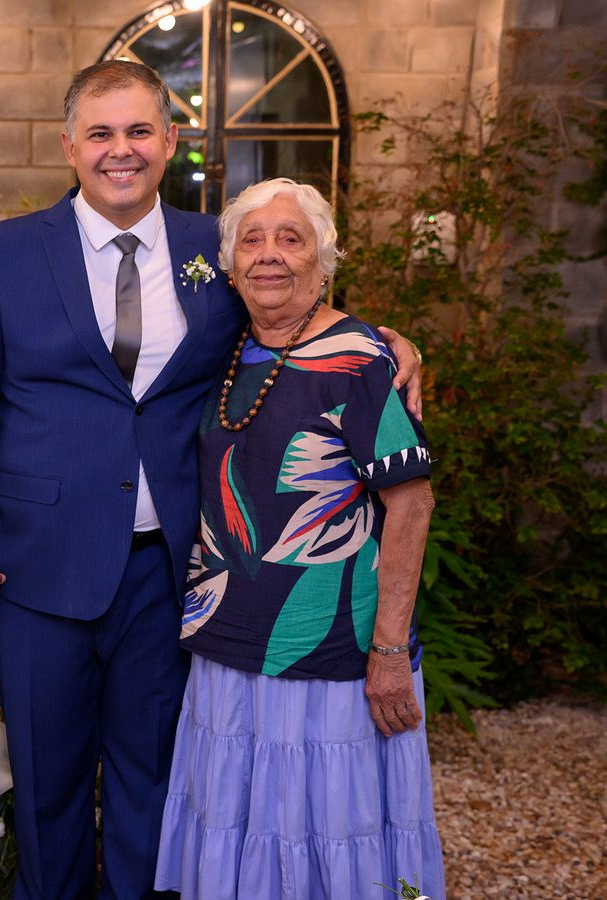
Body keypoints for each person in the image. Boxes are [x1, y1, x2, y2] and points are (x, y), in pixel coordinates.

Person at [0, 61, 421, 899]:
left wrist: (388, 344)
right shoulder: (4, 251)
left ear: (170, 140)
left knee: (154, 779)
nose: (121, 150)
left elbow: (290, 318)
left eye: (139, 131)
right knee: (45, 787)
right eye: (101, 133)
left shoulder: (213, 250)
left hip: (173, 570)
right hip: (35, 568)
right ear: (69, 146)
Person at [154, 178, 445, 897]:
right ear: (229, 267)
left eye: (291, 239)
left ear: (324, 259)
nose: (269, 255)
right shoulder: (228, 350)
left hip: (332, 649)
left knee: (323, 827)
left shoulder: (358, 360)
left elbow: (411, 503)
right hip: (228, 640)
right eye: (251, 240)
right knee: (240, 819)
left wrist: (389, 651)